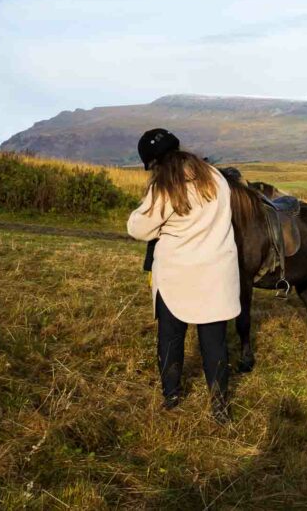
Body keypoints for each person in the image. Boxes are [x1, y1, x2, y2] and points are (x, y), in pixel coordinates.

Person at [127, 128, 241, 423]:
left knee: (171, 338)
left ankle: (172, 396)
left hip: (176, 276)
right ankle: (219, 407)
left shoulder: (164, 186)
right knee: (215, 343)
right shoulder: (215, 176)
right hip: (217, 273)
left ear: (153, 163)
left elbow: (139, 228)